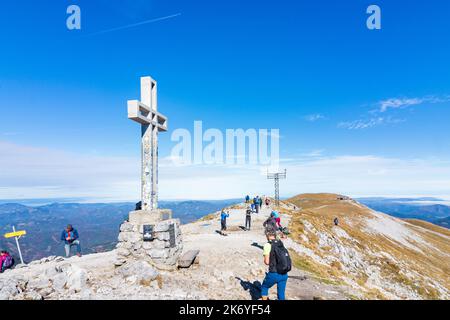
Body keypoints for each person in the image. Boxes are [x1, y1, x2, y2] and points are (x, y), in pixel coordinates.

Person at [261, 230, 291, 300]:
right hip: (284, 274)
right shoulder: (280, 243)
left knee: (264, 287)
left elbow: (267, 262)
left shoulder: (267, 245)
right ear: (274, 235)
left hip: (274, 273)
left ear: (267, 236)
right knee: (281, 294)